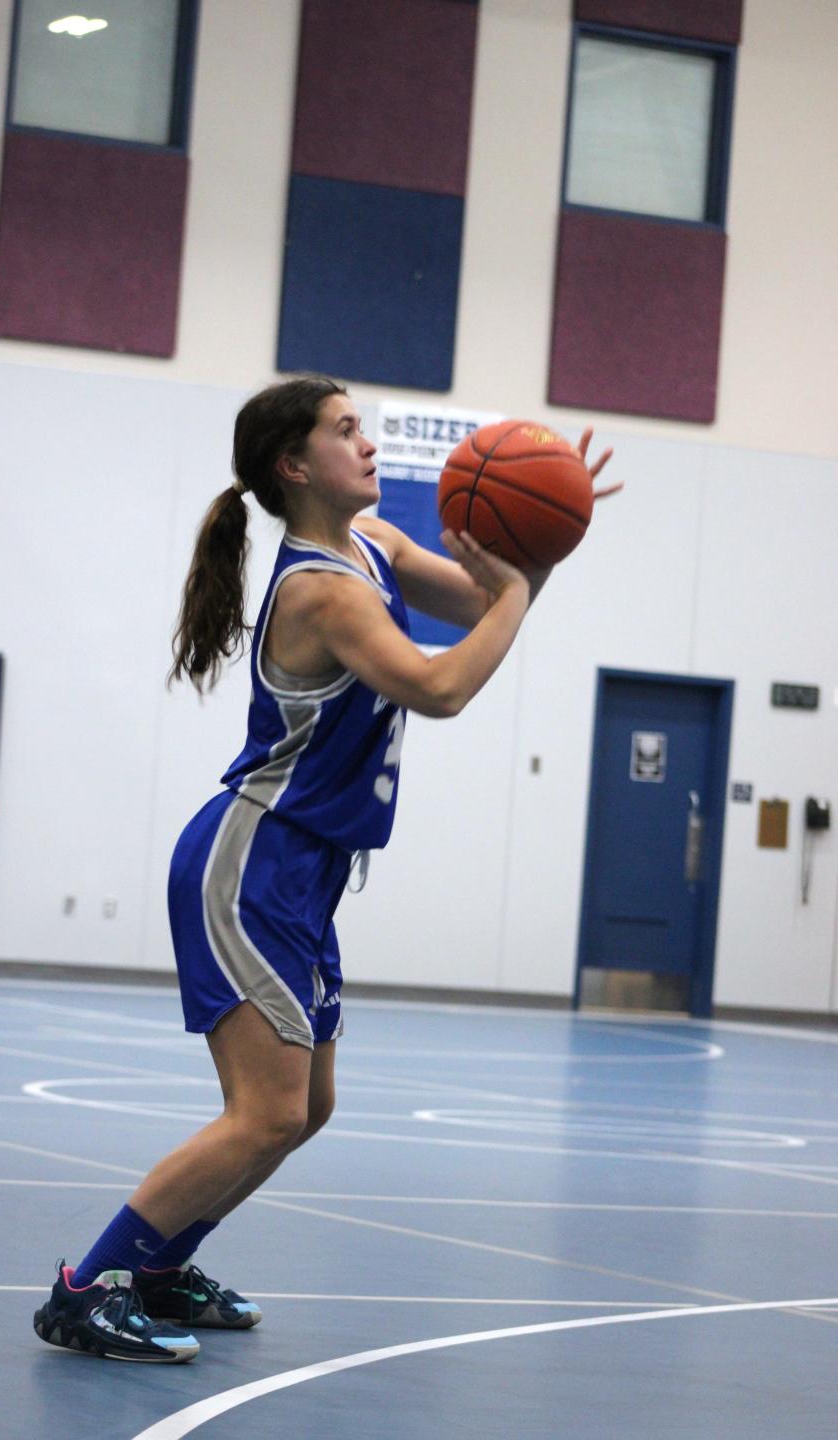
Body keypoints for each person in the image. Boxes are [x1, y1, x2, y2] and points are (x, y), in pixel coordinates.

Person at [33, 375, 617, 1362]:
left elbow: (481, 599)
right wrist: (519, 592)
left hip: (304, 870)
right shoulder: (321, 590)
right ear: (294, 467)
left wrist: (543, 549)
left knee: (310, 1108)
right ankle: (86, 1288)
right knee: (265, 1113)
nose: (370, 442)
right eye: (347, 430)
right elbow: (439, 684)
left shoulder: (375, 547)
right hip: (250, 863)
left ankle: (165, 1267)